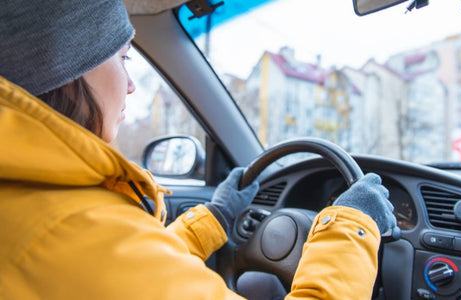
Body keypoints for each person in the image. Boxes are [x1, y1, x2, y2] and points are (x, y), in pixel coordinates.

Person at [0, 0, 396, 299]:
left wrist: (216, 217)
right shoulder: (72, 230)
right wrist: (353, 227)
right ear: (67, 68)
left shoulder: (35, 210)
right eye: (123, 60)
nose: (131, 85)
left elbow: (138, 271)